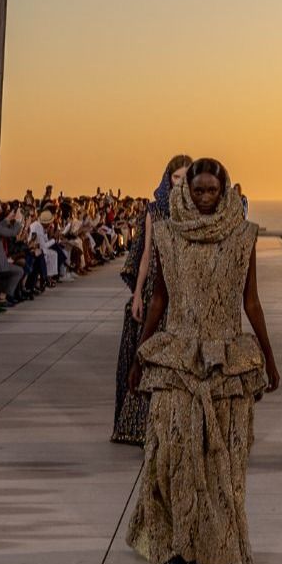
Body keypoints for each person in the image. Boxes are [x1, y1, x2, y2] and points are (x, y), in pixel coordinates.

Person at [126, 159, 277, 564]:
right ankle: (175, 542)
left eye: (213, 191)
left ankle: (216, 544)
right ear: (187, 191)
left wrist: (269, 357)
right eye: (199, 191)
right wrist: (141, 356)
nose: (206, 198)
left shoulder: (244, 236)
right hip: (176, 356)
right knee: (171, 453)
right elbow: (159, 299)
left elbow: (252, 302)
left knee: (221, 460)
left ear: (225, 191)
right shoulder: (169, 236)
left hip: (225, 362)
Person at [112, 155, 187, 447]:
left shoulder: (194, 212)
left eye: (185, 177)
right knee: (147, 352)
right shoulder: (155, 211)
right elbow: (144, 256)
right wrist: (137, 293)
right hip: (155, 285)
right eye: (176, 177)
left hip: (180, 289)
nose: (180, 182)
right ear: (168, 179)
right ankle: (139, 425)